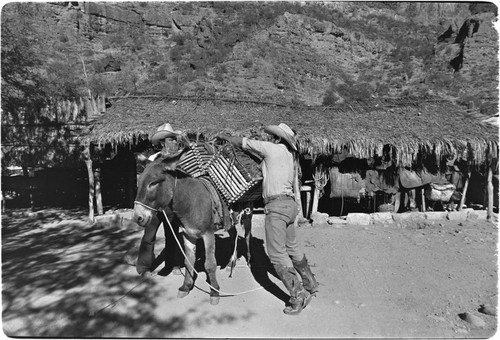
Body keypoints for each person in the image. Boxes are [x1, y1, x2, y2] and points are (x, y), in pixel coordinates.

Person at [217, 123, 319, 315]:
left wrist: (225, 138)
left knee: (277, 254)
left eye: (273, 136)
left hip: (277, 207)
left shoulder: (272, 149)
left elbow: (244, 143)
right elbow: (264, 163)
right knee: (292, 247)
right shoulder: (289, 156)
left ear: (278, 139)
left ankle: (298, 295)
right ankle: (310, 284)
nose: (271, 138)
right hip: (290, 205)